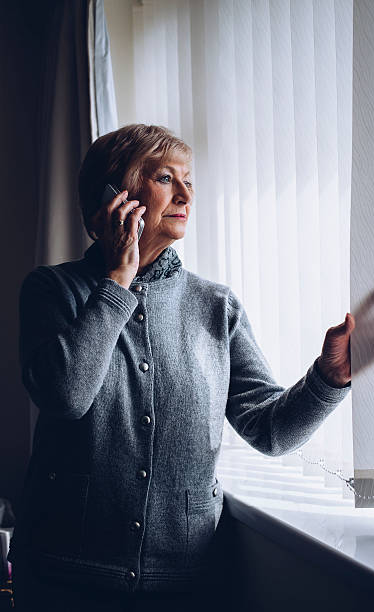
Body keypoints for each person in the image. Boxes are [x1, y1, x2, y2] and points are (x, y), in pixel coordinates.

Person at [8, 124, 354, 611]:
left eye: (189, 179)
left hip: (185, 580)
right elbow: (67, 395)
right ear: (114, 198)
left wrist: (330, 378)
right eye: (166, 177)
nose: (186, 193)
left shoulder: (216, 305)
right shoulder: (51, 290)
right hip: (63, 573)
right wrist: (117, 279)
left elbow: (270, 430)